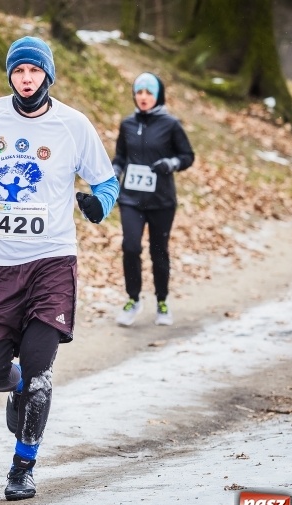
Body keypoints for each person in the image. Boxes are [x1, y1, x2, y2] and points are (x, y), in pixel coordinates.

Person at [0, 36, 119, 501]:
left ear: (48, 75)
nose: (26, 79)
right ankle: (13, 386)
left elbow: (106, 180)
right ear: (10, 76)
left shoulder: (73, 125)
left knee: (41, 369)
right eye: (19, 71)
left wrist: (98, 205)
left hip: (51, 264)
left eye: (34, 71)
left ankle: (23, 466)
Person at [111, 72, 195, 327]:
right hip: (131, 199)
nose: (143, 97)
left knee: (158, 252)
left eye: (149, 92)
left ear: (158, 95)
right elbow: (120, 158)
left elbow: (187, 156)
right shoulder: (127, 124)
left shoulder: (171, 124)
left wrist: (171, 163)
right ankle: (133, 298)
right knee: (131, 247)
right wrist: (114, 173)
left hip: (161, 201)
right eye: (139, 92)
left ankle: (162, 300)